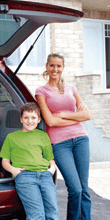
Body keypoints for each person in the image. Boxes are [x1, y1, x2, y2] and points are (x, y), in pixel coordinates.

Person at [35, 53, 91, 220]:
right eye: (52, 65)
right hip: (59, 143)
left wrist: (64, 115)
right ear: (47, 67)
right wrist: (74, 117)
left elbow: (87, 115)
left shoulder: (72, 89)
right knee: (75, 189)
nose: (55, 69)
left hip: (81, 139)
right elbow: (50, 121)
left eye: (59, 66)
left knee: (84, 189)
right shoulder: (41, 91)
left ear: (63, 68)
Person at [0, 102, 59, 220]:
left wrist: (51, 169)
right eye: (26, 117)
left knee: (53, 212)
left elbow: (50, 158)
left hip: (45, 176)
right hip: (25, 176)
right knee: (37, 214)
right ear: (21, 119)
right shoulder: (12, 137)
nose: (29, 121)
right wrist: (14, 171)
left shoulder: (43, 136)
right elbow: (4, 161)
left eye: (33, 117)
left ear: (39, 120)